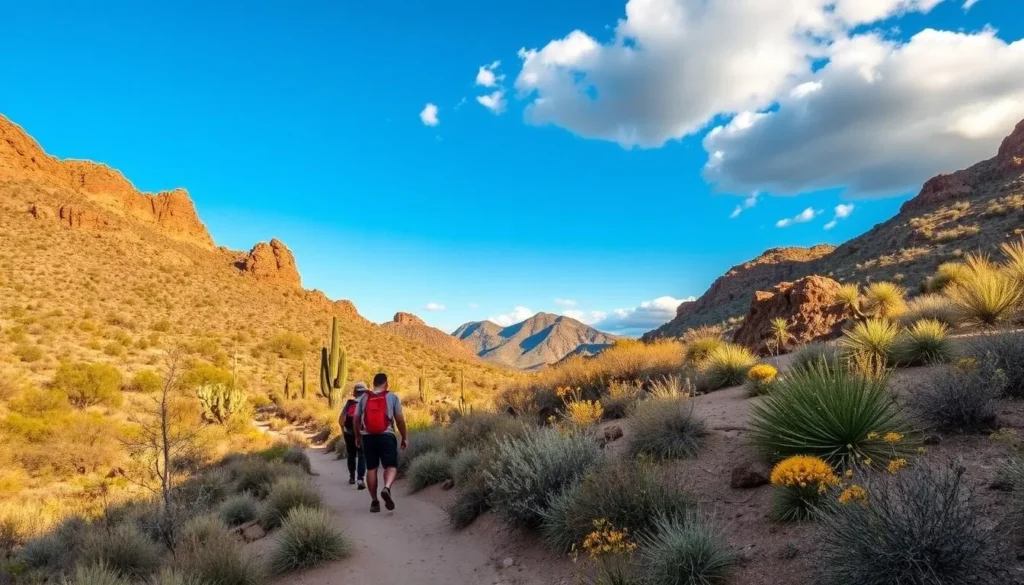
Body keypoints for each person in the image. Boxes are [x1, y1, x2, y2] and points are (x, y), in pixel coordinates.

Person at [353, 372, 407, 513]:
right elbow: (400, 420)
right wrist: (404, 436)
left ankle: (374, 501)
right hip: (386, 436)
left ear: (373, 384)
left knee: (371, 468)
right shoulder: (392, 397)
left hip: (368, 437)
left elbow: (356, 418)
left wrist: (358, 436)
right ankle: (386, 487)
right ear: (386, 383)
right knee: (391, 466)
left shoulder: (364, 397)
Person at [339, 382, 367, 490]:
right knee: (362, 455)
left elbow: (341, 420)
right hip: (362, 433)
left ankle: (352, 477)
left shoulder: (349, 403)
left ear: (355, 393)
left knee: (351, 454)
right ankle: (360, 479)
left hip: (349, 432)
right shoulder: (367, 403)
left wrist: (343, 431)